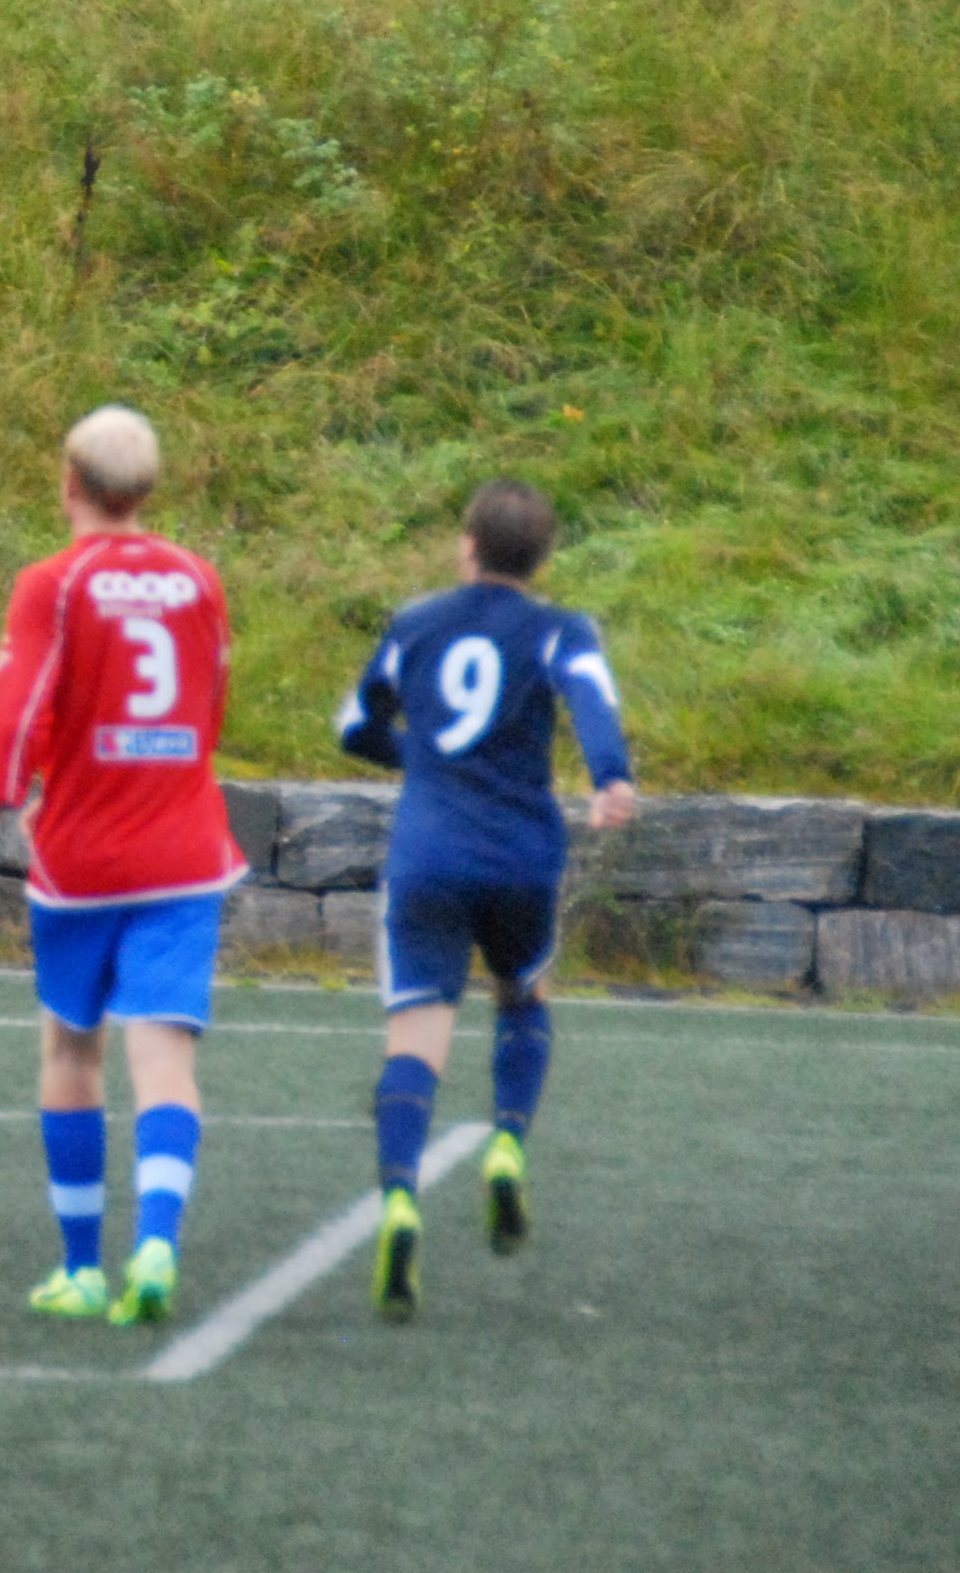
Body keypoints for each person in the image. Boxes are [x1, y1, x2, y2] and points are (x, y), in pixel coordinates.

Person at [0, 406, 245, 1329]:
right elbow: (212, 694)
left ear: (68, 482)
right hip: (185, 850)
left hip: (84, 858)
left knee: (73, 1050)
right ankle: (156, 1240)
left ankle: (80, 1267)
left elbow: (13, 713)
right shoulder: (198, 577)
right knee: (165, 1057)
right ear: (147, 489)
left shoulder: (55, 583)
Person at [337, 477, 638, 1320]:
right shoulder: (561, 630)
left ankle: (401, 1196)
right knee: (523, 998)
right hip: (521, 857)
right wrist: (611, 779)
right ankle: (506, 1142)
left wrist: (423, 758)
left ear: (466, 544)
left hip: (429, 856)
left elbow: (355, 726)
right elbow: (593, 699)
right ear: (542, 558)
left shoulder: (416, 622)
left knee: (415, 1036)